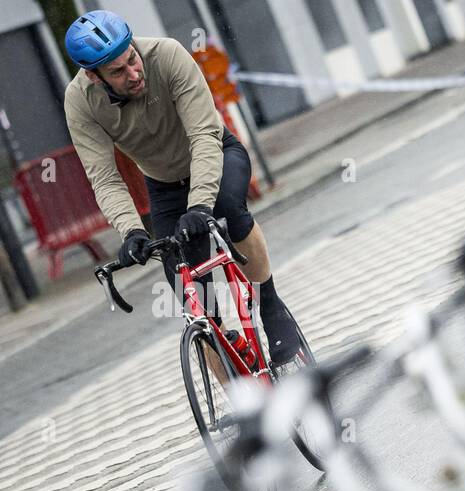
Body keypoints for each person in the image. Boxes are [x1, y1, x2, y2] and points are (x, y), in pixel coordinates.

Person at [62, 9, 299, 371]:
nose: (134, 73)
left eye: (132, 60)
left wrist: (201, 206)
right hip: (164, 186)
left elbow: (204, 136)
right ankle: (240, 399)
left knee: (230, 211)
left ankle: (269, 304)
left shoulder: (168, 55)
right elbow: (105, 177)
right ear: (94, 77)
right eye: (118, 72)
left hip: (218, 157)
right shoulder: (79, 102)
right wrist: (131, 231)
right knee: (195, 306)